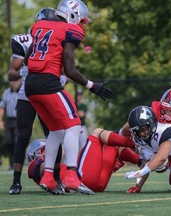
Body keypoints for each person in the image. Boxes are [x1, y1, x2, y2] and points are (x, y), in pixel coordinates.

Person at [25, 0, 112, 194]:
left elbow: (27, 58)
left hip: (30, 84)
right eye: (81, 20)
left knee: (56, 130)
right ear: (72, 15)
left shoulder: (39, 26)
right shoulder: (68, 31)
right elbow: (71, 70)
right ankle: (72, 176)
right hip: (48, 83)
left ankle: (48, 177)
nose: (82, 25)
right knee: (73, 125)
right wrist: (92, 86)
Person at [7, 7, 61, 195]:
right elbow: (11, 74)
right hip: (27, 93)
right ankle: (15, 181)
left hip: (48, 90)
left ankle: (57, 179)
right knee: (23, 135)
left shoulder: (59, 38)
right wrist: (24, 71)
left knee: (54, 134)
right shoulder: (24, 40)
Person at [27, 129, 139, 194]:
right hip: (82, 179)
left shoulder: (56, 167)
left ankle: (142, 160)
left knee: (113, 145)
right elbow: (42, 167)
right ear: (39, 153)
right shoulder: (36, 166)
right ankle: (135, 143)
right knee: (97, 132)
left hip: (95, 185)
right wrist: (66, 135)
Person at [0, 79, 21, 170]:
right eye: (13, 80)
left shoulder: (22, 92)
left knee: (17, 142)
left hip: (19, 120)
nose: (14, 82)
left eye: (16, 80)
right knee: (7, 142)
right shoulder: (6, 92)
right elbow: (2, 107)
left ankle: (15, 163)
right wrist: (0, 120)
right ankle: (12, 160)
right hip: (9, 120)